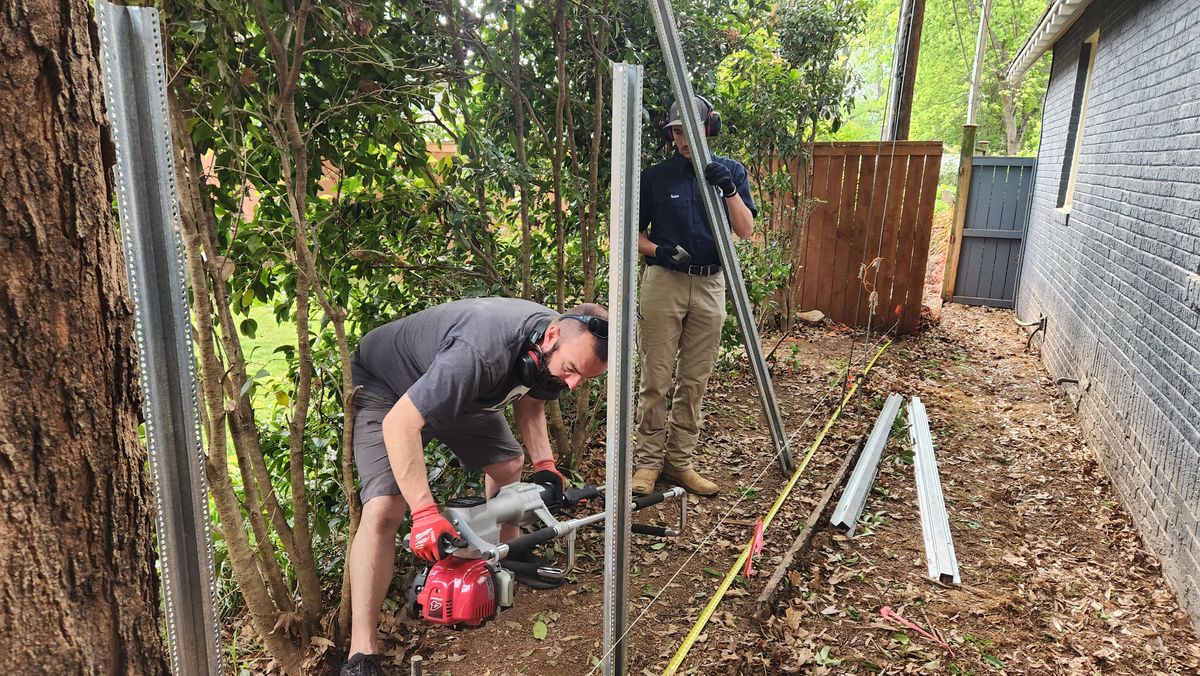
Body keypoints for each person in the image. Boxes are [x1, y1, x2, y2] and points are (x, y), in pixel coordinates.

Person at [341, 297, 609, 676]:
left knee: (509, 464)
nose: (572, 382)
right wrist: (424, 514)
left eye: (582, 377)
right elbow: (400, 424)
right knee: (385, 509)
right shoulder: (482, 350)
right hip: (389, 389)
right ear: (551, 336)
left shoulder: (556, 352)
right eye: (571, 371)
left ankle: (507, 556)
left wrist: (546, 467)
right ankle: (360, 654)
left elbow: (531, 406)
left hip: (459, 393)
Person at [631, 95, 756, 498]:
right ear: (671, 135)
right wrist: (657, 250)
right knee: (656, 377)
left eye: (691, 129)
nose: (685, 139)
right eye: (677, 131)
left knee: (695, 380)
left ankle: (680, 462)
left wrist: (730, 190)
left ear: (708, 128)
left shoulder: (731, 172)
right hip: (664, 282)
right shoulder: (654, 177)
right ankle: (647, 464)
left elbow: (746, 230)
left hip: (710, 284)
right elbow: (634, 235)